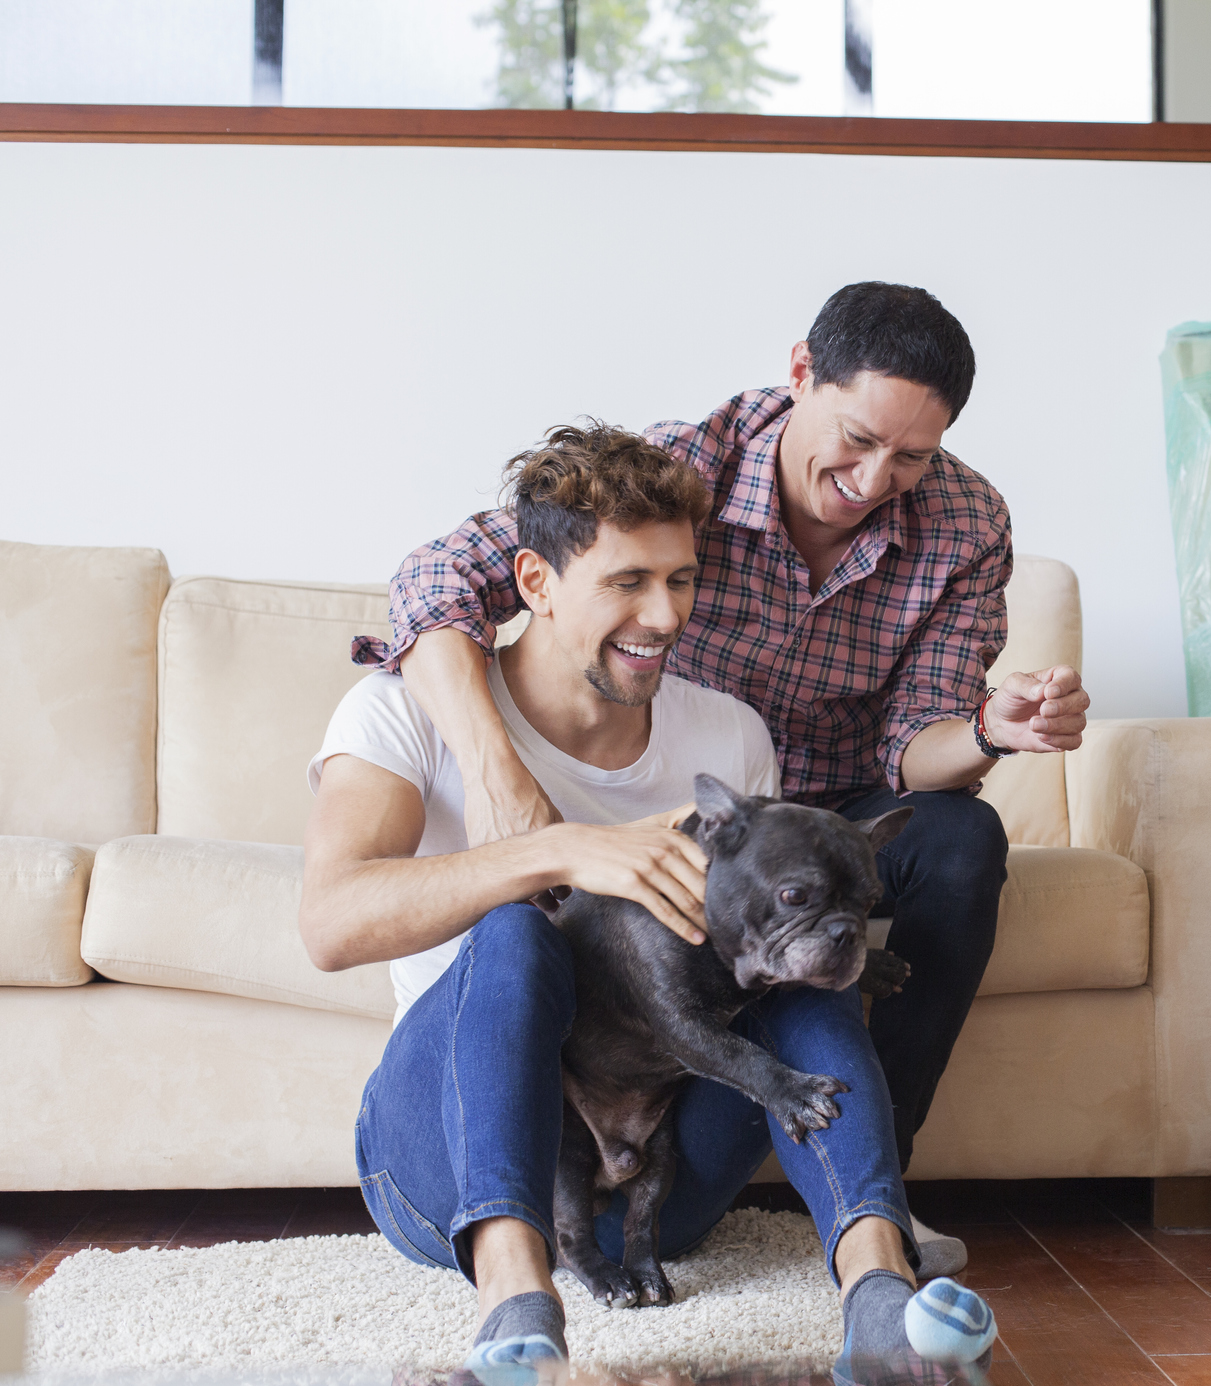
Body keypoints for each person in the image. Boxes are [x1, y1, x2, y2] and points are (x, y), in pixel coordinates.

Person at [353, 282, 1092, 1270]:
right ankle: (520, 1276)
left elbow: (914, 743)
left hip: (820, 818)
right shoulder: (672, 474)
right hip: (704, 831)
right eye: (859, 438)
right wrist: (507, 792)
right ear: (800, 375)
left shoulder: (961, 527)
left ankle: (875, 1202)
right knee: (532, 935)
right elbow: (437, 580)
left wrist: (990, 731)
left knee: (936, 858)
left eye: (911, 458)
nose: (876, 479)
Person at [303, 424, 947, 1386]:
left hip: (660, 1170)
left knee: (796, 958)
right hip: (450, 1162)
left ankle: (878, 1292)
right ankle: (517, 1302)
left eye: (681, 580)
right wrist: (553, 851)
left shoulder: (726, 735)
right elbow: (329, 924)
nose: (663, 614)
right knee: (519, 928)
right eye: (626, 582)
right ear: (535, 580)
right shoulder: (399, 712)